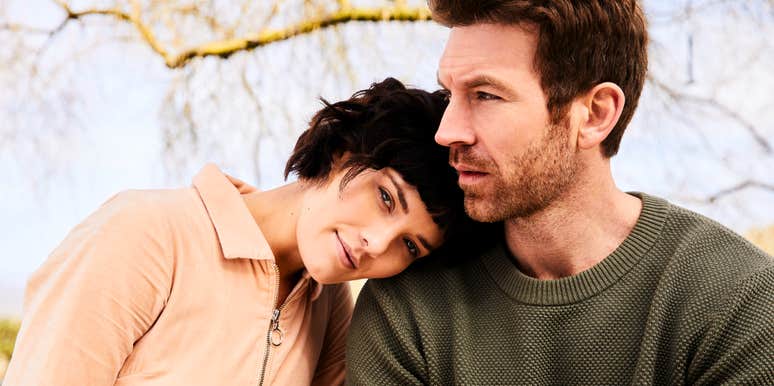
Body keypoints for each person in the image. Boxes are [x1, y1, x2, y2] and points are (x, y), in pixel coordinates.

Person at [346, 1, 774, 385]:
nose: (447, 131)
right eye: (449, 93)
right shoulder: (409, 308)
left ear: (594, 114)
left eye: (485, 95)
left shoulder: (737, 299)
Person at [4, 78, 478, 386]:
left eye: (410, 245)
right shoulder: (146, 235)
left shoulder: (331, 308)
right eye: (385, 197)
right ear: (341, 153)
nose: (377, 243)